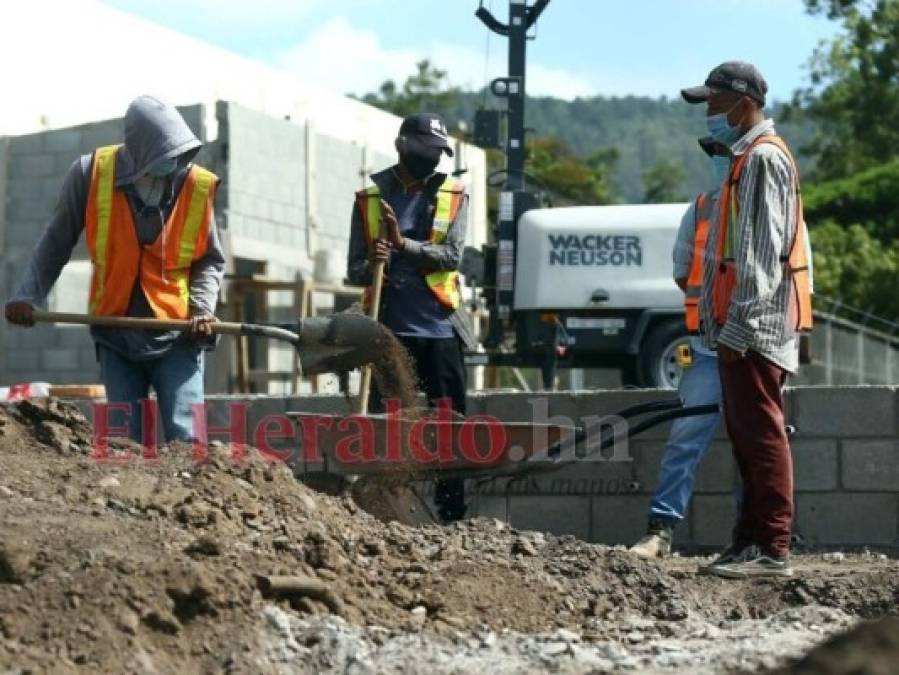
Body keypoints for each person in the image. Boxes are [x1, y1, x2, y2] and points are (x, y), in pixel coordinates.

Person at [4, 95, 225, 444]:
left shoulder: (195, 186)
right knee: (125, 444)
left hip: (179, 332)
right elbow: (56, 242)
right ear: (139, 150)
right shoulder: (90, 174)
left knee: (187, 441)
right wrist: (27, 295)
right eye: (162, 156)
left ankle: (194, 500)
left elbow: (210, 259)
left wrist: (202, 309)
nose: (171, 163)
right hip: (115, 333)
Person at [681, 62, 813, 578]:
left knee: (761, 435)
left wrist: (738, 328)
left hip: (754, 328)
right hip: (745, 326)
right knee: (746, 435)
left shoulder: (761, 160)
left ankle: (771, 547)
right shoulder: (747, 159)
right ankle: (749, 541)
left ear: (743, 101)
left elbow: (760, 257)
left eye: (715, 101)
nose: (711, 111)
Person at [346, 112, 476, 523]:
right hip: (389, 331)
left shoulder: (453, 193)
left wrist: (403, 245)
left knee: (449, 425)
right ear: (403, 146)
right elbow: (354, 270)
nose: (433, 160)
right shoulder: (370, 197)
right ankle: (387, 512)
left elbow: (452, 256)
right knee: (390, 426)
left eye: (439, 153)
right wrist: (374, 261)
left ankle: (452, 513)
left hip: (438, 328)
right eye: (425, 152)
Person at [629, 137, 729, 559]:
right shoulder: (703, 208)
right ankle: (661, 531)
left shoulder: (776, 203)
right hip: (710, 347)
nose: (721, 162)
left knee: (760, 443)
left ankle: (763, 535)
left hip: (759, 350)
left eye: (726, 154)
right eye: (716, 155)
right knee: (686, 435)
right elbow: (681, 273)